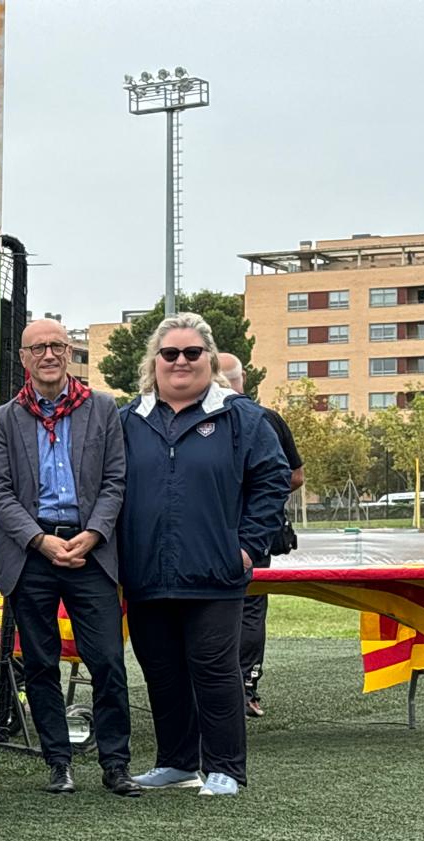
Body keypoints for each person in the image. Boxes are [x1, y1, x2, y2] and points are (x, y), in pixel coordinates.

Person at [118, 315, 289, 797]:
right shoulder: (128, 420)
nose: (181, 362)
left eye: (192, 353)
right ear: (154, 361)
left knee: (214, 669)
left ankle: (225, 767)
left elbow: (274, 479)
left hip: (216, 572)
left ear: (209, 360)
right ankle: (176, 763)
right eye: (170, 353)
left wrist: (248, 546)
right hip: (146, 572)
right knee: (161, 669)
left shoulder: (241, 418)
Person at [0, 318, 138, 796]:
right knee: (40, 663)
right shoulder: (5, 418)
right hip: (32, 555)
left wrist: (93, 534)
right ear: (23, 359)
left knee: (107, 660)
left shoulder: (103, 408)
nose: (48, 355)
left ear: (69, 353)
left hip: (91, 552)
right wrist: (39, 540)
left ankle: (116, 764)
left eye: (56, 346)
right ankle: (58, 763)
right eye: (38, 348)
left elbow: (115, 481)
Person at [219, 351, 304, 717]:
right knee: (250, 608)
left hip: (236, 533)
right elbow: (294, 476)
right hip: (249, 533)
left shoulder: (258, 419)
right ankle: (243, 686)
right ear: (243, 379)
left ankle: (236, 686)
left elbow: (291, 476)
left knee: (235, 608)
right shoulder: (265, 417)